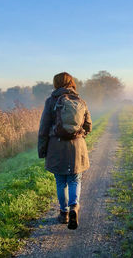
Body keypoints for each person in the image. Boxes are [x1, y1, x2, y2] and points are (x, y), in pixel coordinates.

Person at [38, 72, 92, 230]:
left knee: (61, 181)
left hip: (56, 146)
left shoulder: (50, 101)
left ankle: (64, 213)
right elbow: (88, 126)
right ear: (71, 83)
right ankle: (74, 206)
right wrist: (79, 136)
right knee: (75, 179)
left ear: (56, 84)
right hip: (77, 146)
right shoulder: (80, 101)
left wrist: (42, 150)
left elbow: (43, 128)